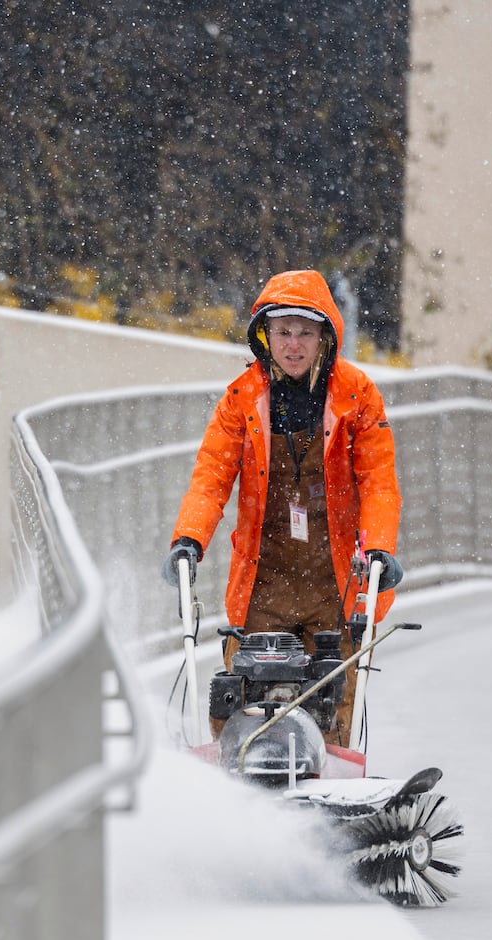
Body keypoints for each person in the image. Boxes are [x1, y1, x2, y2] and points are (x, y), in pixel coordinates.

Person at [163, 269, 402, 748]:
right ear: (265, 336)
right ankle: (244, 794)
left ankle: (328, 793)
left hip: (334, 581)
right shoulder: (241, 400)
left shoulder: (355, 396)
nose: (294, 345)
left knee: (331, 703)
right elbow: (211, 477)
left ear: (324, 337)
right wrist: (188, 539)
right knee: (247, 701)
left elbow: (378, 482)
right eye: (283, 332)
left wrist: (379, 549)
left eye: (305, 333)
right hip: (264, 579)